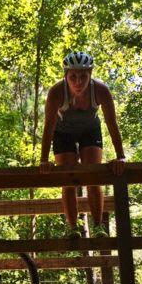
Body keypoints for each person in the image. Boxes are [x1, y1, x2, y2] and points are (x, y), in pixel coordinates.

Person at [39, 51, 126, 238]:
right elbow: (48, 128)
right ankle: (72, 229)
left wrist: (121, 156)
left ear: (91, 74)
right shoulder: (56, 93)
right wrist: (44, 160)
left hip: (90, 130)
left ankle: (98, 227)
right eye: (73, 77)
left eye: (83, 76)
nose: (78, 82)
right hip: (63, 133)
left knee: (93, 176)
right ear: (66, 76)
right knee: (67, 178)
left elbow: (112, 124)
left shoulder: (101, 90)